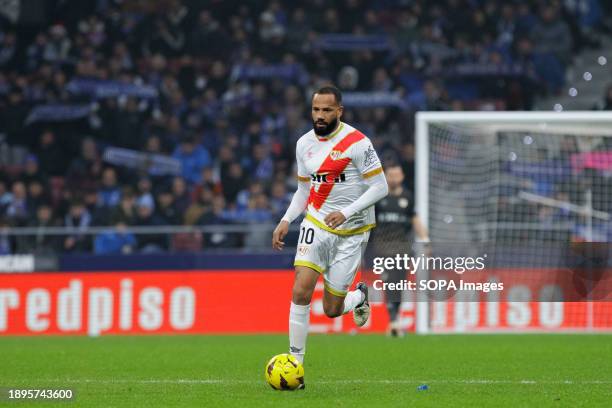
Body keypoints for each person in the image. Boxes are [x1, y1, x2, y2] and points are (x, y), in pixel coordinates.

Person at [272, 85, 389, 375]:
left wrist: (347, 212)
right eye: (316, 110)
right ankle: (295, 364)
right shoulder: (303, 144)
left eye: (326, 110)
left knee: (332, 309)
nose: (320, 115)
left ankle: (359, 296)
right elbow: (303, 190)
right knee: (300, 290)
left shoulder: (358, 142)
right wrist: (286, 219)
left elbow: (381, 186)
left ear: (339, 111)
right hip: (316, 223)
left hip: (353, 230)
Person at [371, 164, 429, 337]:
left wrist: (425, 239)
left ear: (402, 176)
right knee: (389, 281)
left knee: (398, 284)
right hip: (382, 247)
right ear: (385, 176)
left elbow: (415, 218)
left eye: (397, 174)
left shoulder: (407, 197)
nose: (394, 178)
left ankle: (394, 320)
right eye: (391, 174)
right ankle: (394, 320)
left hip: (403, 248)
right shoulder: (378, 197)